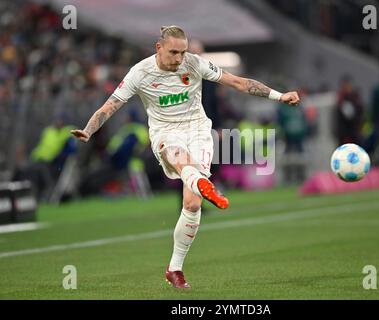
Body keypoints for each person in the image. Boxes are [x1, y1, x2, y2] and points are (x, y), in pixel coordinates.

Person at [70, 26, 299, 289]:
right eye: (174, 52)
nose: (179, 58)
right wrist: (88, 130)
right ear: (159, 47)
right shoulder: (140, 72)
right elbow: (110, 105)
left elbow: (239, 83)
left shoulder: (194, 63)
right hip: (166, 134)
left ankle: (174, 269)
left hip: (198, 132)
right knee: (179, 158)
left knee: (191, 205)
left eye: (183, 52)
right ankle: (203, 183)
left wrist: (280, 96)